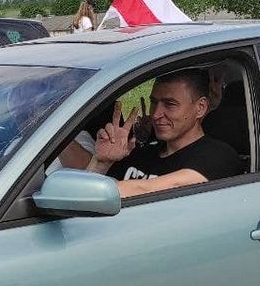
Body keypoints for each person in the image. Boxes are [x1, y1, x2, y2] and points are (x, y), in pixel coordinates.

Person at [85, 69, 242, 198]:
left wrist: (94, 190)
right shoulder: (142, 152)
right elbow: (88, 201)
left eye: (170, 104)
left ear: (200, 107)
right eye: (154, 102)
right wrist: (101, 163)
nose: (156, 114)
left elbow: (151, 189)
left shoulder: (218, 156)